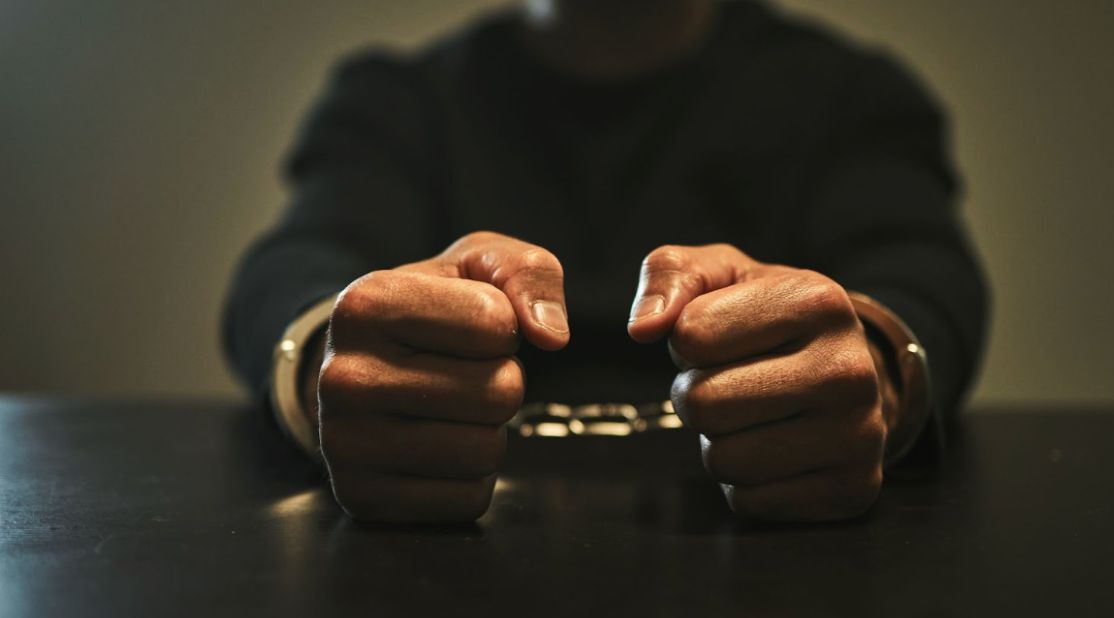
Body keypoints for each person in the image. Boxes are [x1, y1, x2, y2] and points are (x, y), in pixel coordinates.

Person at [222, 0, 990, 524]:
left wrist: (878, 372)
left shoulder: (847, 95)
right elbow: (297, 262)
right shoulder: (396, 99)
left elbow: (922, 270)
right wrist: (329, 357)